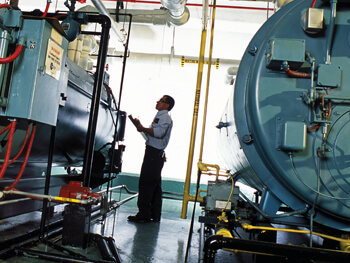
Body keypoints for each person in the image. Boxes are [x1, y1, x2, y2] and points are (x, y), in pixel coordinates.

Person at [128, 95, 175, 223]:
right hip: (155, 153)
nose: (158, 102)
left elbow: (159, 134)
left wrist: (142, 128)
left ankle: (143, 215)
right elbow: (153, 134)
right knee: (154, 185)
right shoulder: (160, 116)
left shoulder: (164, 117)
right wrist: (141, 128)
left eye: (161, 101)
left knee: (146, 183)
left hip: (154, 154)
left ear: (166, 105)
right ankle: (154, 214)